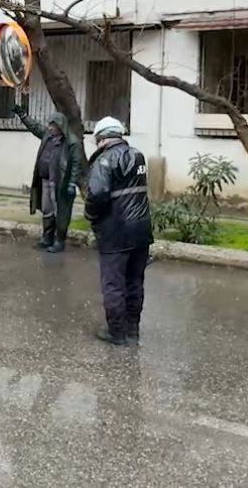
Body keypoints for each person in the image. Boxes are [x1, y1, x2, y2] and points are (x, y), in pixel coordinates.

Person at [83, 116, 152, 346]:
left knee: (113, 284)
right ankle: (133, 329)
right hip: (141, 230)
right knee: (135, 282)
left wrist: (91, 216)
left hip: (116, 232)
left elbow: (96, 195)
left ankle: (117, 333)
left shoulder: (104, 160)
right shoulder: (137, 155)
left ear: (102, 139)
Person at [13, 105, 81, 253]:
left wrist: (72, 183)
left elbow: (77, 164)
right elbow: (34, 127)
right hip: (45, 180)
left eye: (53, 125)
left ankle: (59, 241)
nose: (50, 128)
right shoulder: (47, 136)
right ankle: (47, 237)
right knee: (47, 210)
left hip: (61, 183)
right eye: (49, 125)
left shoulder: (72, 142)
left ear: (61, 126)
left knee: (60, 212)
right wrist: (23, 115)